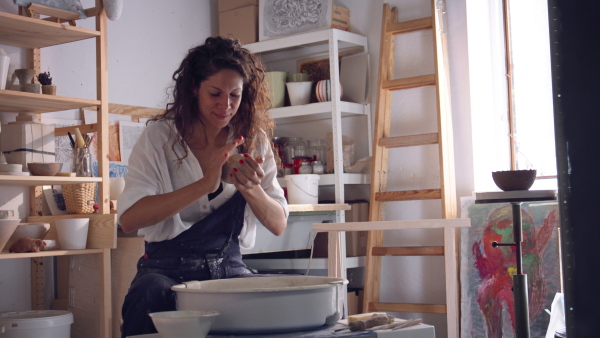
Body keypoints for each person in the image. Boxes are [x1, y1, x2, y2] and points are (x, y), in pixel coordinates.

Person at [117, 36, 289, 337]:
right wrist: (205, 184)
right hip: (164, 270)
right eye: (215, 94)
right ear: (194, 88)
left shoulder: (253, 138)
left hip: (229, 268)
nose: (226, 105)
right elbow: (129, 219)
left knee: (275, 302)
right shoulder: (159, 139)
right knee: (149, 293)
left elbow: (278, 224)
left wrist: (251, 188)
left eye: (235, 95)